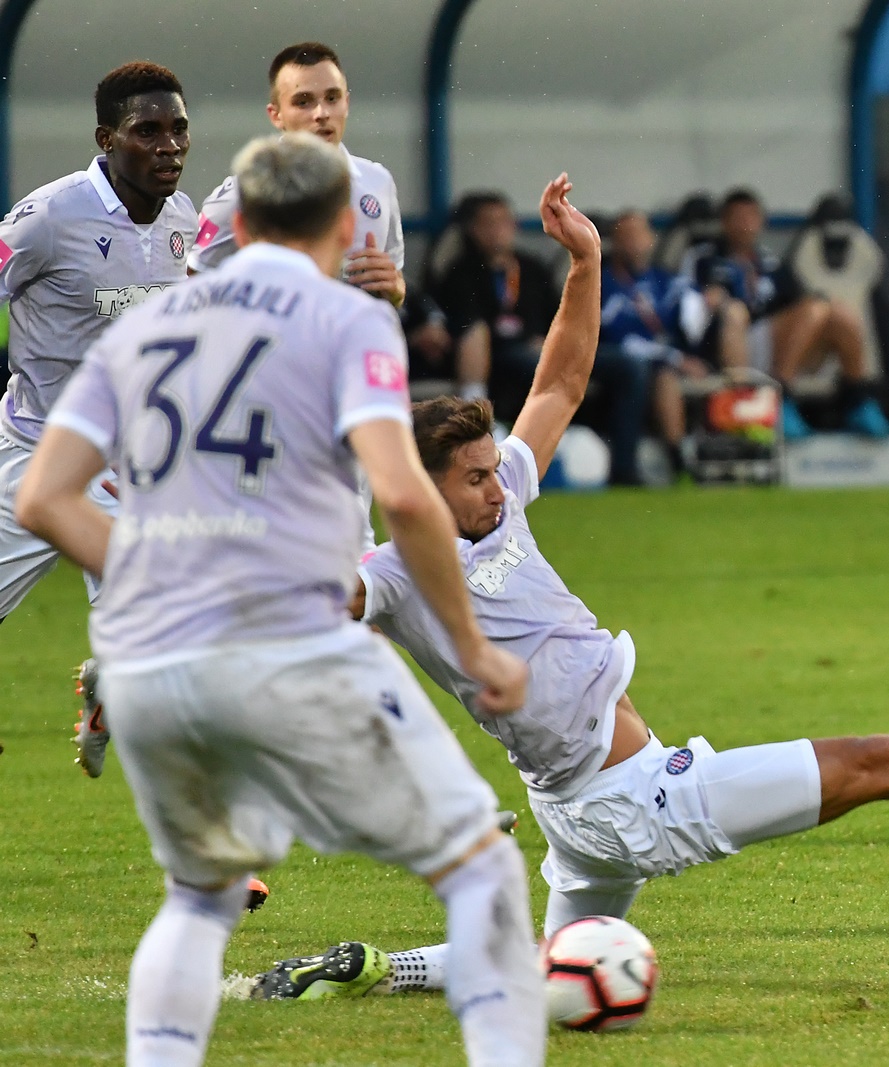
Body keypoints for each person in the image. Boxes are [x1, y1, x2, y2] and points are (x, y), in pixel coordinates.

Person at [240, 196, 889, 995]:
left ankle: (372, 967)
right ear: (422, 486)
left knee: (546, 958)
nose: (498, 485)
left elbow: (564, 378)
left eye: (497, 469)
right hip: (629, 800)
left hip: (579, 806)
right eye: (477, 477)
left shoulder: (506, 507)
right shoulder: (395, 570)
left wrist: (587, 261)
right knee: (873, 764)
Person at [15, 133, 543, 1067]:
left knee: (200, 894)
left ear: (237, 223)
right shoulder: (348, 324)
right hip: (287, 644)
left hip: (152, 659)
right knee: (480, 866)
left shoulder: (145, 326)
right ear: (346, 224)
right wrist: (473, 642)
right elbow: (410, 494)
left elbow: (45, 497)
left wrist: (153, 575)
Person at [0, 62, 196, 775]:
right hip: (32, 452)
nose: (168, 145)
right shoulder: (47, 217)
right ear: (107, 139)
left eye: (178, 129)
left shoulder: (183, 222)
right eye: (148, 131)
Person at [432, 191, 651, 485]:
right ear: (473, 230)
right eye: (489, 223)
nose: (498, 230)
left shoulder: (532, 268)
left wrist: (548, 339)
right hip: (502, 356)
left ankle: (625, 470)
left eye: (504, 222)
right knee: (533, 364)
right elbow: (468, 329)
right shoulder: (460, 273)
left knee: (629, 367)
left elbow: (561, 314)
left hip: (548, 348)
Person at [188, 42, 406, 308]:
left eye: (332, 98)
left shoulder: (378, 182)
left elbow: (395, 282)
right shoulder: (243, 194)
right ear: (276, 116)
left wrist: (395, 288)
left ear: (346, 103)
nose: (322, 114)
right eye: (303, 102)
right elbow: (192, 287)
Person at [686, 188, 889, 440]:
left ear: (762, 221)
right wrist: (709, 299)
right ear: (725, 222)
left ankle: (857, 400)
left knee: (838, 312)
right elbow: (685, 306)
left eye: (751, 217)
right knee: (744, 311)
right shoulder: (703, 260)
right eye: (738, 218)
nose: (745, 225)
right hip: (728, 345)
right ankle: (778, 398)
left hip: (774, 347)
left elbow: (795, 306)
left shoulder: (770, 264)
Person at [600, 209, 710, 465]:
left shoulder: (666, 279)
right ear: (615, 242)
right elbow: (622, 341)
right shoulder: (604, 284)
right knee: (665, 377)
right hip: (634, 364)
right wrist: (675, 358)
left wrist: (709, 303)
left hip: (679, 358)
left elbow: (694, 322)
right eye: (626, 235)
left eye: (640, 233)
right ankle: (678, 458)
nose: (634, 242)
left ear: (651, 238)